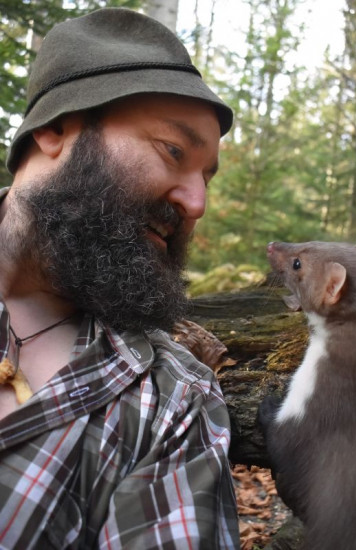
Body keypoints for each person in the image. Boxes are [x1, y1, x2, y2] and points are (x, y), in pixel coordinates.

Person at [0, 7, 240, 549]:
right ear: (56, 128)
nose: (197, 204)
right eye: (173, 151)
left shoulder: (173, 401)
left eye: (206, 178)